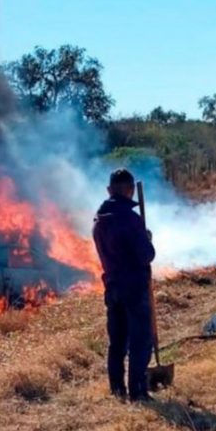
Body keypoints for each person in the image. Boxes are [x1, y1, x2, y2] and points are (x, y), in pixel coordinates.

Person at [93, 169, 156, 402]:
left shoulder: (98, 221)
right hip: (134, 287)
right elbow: (146, 256)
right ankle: (138, 392)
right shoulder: (131, 220)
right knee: (141, 339)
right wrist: (147, 240)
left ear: (110, 191)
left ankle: (117, 389)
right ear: (130, 191)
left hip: (112, 286)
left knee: (117, 341)